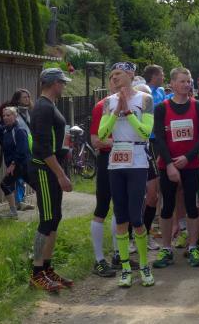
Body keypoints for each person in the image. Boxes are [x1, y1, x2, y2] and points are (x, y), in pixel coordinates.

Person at [98, 62, 155, 288]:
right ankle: (125, 267)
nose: (113, 78)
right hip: (116, 161)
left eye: (118, 74)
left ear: (130, 75)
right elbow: (102, 134)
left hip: (138, 161)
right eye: (111, 75)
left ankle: (144, 265)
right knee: (120, 216)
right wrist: (116, 112)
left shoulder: (145, 99)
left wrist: (128, 112)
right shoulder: (108, 102)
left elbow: (145, 133)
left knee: (136, 217)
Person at [152, 67, 199, 269]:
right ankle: (166, 248)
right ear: (173, 84)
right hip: (167, 165)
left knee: (192, 205)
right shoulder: (162, 108)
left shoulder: (198, 107)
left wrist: (187, 157)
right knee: (167, 206)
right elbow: (159, 138)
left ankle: (193, 246)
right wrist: (169, 164)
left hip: (191, 164)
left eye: (189, 81)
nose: (187, 84)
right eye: (182, 81)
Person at [27, 68, 73, 292]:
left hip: (52, 169)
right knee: (46, 220)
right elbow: (43, 148)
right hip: (45, 171)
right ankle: (36, 273)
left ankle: (47, 268)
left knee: (55, 218)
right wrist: (61, 174)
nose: (64, 86)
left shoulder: (49, 105)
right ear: (54, 83)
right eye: (62, 83)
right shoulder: (43, 108)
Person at [89, 83, 123, 277]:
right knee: (102, 207)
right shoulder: (102, 106)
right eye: (115, 79)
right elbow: (95, 140)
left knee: (120, 207)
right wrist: (121, 141)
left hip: (127, 161)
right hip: (107, 158)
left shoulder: (135, 104)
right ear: (110, 83)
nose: (119, 84)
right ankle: (99, 259)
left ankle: (119, 255)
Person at [143, 65, 166, 252]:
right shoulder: (144, 92)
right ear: (153, 76)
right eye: (161, 74)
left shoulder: (161, 91)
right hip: (147, 140)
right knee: (149, 187)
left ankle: (155, 219)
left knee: (157, 184)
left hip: (159, 139)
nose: (163, 76)